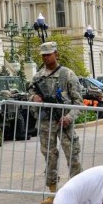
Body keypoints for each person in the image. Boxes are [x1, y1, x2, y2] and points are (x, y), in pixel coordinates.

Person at [29, 42, 83, 195]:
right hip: (46, 123)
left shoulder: (68, 75)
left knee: (73, 155)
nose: (46, 57)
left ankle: (78, 190)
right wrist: (33, 97)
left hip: (64, 123)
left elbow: (78, 102)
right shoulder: (38, 76)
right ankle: (53, 191)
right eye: (44, 55)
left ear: (56, 54)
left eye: (49, 54)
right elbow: (28, 95)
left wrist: (69, 117)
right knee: (49, 157)